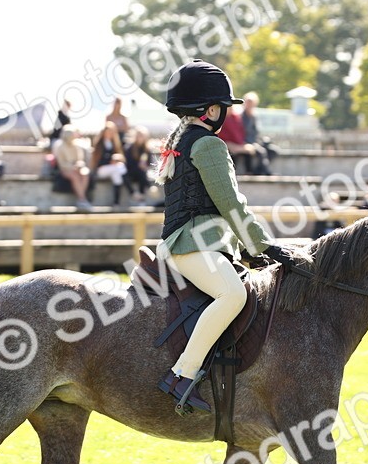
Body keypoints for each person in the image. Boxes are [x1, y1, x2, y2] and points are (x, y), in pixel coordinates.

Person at [154, 59, 294, 414]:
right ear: (211, 109)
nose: (225, 116)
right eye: (223, 109)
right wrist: (263, 244)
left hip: (189, 242)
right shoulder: (209, 145)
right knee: (233, 295)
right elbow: (230, 203)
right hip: (191, 245)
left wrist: (244, 250)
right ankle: (181, 375)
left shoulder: (183, 140)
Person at [90, 122, 130, 207]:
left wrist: (117, 158)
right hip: (101, 169)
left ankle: (116, 202)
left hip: (113, 169)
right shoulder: (99, 144)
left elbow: (122, 158)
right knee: (118, 168)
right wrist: (110, 161)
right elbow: (97, 160)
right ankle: (132, 191)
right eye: (107, 132)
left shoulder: (115, 144)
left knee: (117, 174)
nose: (109, 134)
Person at [54, 125, 93, 210]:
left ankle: (81, 199)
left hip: (76, 168)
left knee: (85, 174)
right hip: (65, 170)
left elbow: (80, 159)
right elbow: (62, 164)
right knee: (75, 176)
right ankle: (82, 199)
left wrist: (78, 165)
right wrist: (72, 167)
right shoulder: (60, 147)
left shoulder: (76, 146)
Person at [239, 92, 273, 175]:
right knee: (261, 151)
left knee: (273, 150)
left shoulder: (254, 116)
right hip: (245, 141)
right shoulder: (240, 116)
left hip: (255, 141)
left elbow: (256, 131)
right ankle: (265, 172)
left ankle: (259, 169)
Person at [123, 125, 153, 205]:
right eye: (139, 135)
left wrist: (145, 166)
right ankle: (136, 194)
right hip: (131, 172)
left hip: (141, 173)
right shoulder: (129, 148)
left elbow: (149, 163)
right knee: (129, 174)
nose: (140, 137)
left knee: (142, 173)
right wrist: (138, 165)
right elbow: (127, 163)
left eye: (142, 136)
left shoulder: (147, 149)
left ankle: (141, 198)